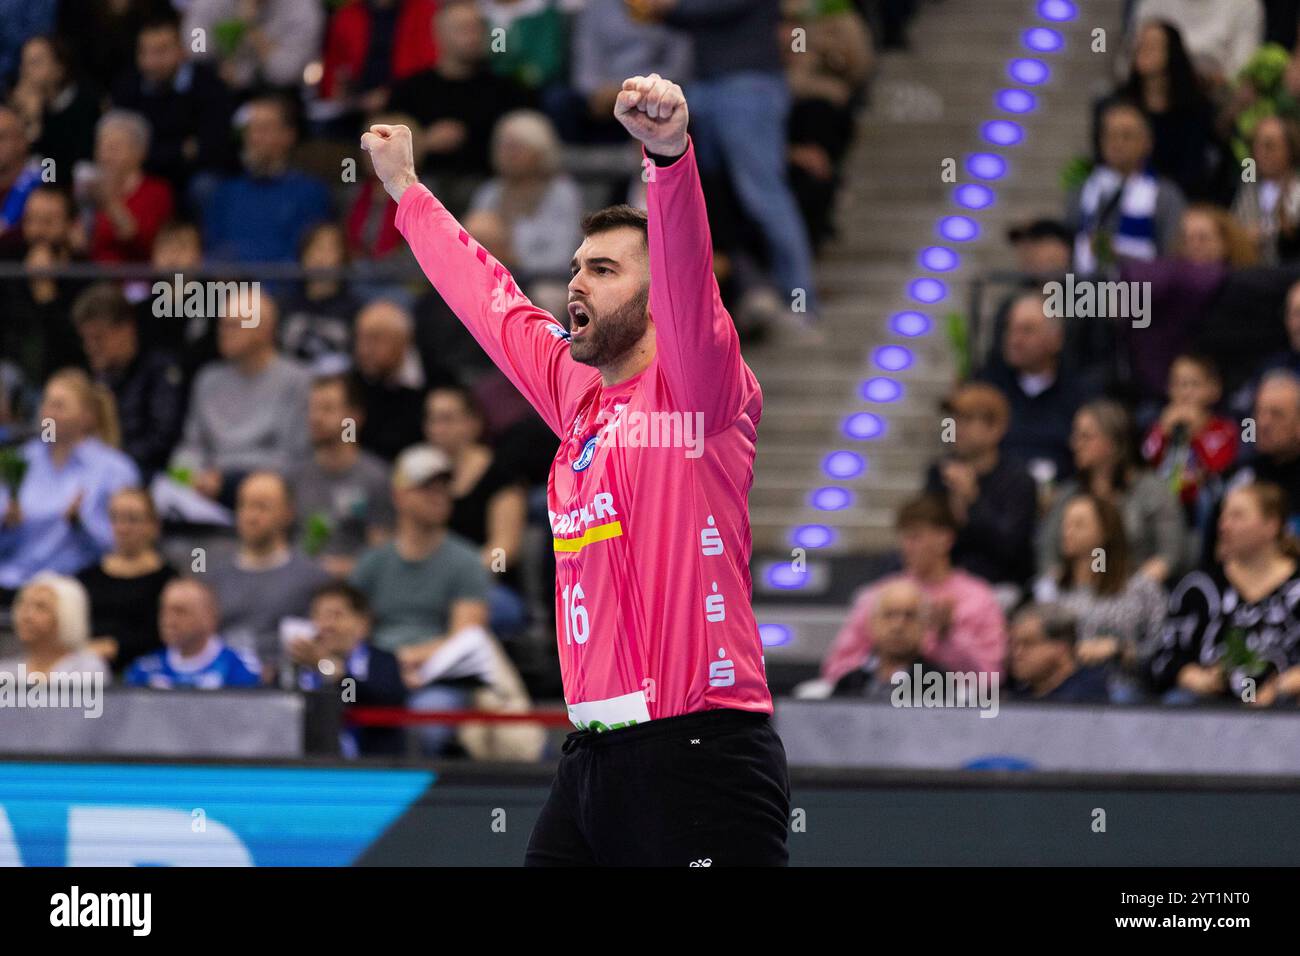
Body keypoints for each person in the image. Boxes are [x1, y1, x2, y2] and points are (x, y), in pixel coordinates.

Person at [364, 72, 791, 864]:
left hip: (701, 755)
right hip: (592, 761)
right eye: (575, 267)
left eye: (603, 269)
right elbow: (489, 302)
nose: (575, 284)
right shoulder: (579, 396)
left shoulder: (700, 394)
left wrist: (668, 158)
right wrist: (407, 191)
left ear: (657, 295)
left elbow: (692, 279)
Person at [348, 444, 493, 755]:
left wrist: (401, 662)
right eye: (426, 487)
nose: (438, 495)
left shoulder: (466, 561)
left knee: (427, 719)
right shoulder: (372, 563)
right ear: (399, 496)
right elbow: (352, 629)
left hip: (438, 678)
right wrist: (386, 670)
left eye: (443, 487)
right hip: (379, 675)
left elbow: (466, 637)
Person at [821, 495, 1008, 688]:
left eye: (915, 537)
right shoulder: (881, 595)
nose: (906, 547)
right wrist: (881, 668)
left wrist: (949, 638)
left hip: (946, 706)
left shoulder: (978, 599)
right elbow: (837, 667)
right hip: (878, 702)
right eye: (903, 538)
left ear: (945, 539)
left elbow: (991, 679)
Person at [1148, 482, 1300, 705]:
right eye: (1223, 516)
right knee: (1176, 702)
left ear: (1272, 525)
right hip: (1209, 708)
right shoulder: (1198, 587)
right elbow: (1163, 657)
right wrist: (1192, 676)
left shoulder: (1295, 589)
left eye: (1237, 516)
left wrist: (1281, 686)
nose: (1224, 526)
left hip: (1285, 707)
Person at [0, 369, 139, 595]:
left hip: (79, 585)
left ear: (87, 416)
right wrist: (6, 522)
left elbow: (126, 545)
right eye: (46, 403)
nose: (48, 413)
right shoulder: (20, 461)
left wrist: (81, 525)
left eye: (59, 406)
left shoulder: (115, 470)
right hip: (12, 580)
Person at [387, 2, 533, 215]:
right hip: (423, 187)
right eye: (463, 29)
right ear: (439, 35)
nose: (473, 36)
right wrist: (425, 141)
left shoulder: (507, 91)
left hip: (489, 189)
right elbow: (381, 152)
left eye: (477, 28)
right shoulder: (409, 90)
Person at [171, 298, 313, 506]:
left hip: (266, 489)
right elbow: (191, 445)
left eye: (234, 325)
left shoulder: (297, 381)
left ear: (264, 330)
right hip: (205, 487)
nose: (224, 332)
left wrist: (225, 478)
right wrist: (187, 475)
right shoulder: (207, 379)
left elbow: (293, 458)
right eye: (222, 324)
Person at [1037, 400, 1187, 585]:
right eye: (1075, 435)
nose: (1075, 443)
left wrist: (1131, 589)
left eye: (1086, 436)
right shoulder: (1070, 494)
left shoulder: (1153, 492)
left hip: (1136, 591)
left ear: (1114, 443)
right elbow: (1047, 551)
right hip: (1076, 594)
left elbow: (1170, 553)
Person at [1036, 492, 1167, 697]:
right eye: (1066, 523)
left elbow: (1160, 645)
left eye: (1079, 525)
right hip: (1061, 683)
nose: (1067, 531)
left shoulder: (1140, 588)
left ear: (1104, 532)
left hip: (1119, 682)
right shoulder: (1050, 587)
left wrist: (1119, 649)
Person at [205, 471, 332, 668]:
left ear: (288, 513)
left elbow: (325, 649)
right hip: (224, 683)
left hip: (285, 685)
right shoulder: (212, 577)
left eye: (262, 507)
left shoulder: (314, 579)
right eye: (244, 505)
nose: (251, 516)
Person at [977, 291, 1103, 483]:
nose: (1015, 340)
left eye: (1027, 330)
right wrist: (950, 440)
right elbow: (948, 428)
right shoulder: (985, 387)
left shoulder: (1080, 395)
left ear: (1056, 339)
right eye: (1010, 329)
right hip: (995, 495)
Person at [923, 383, 1036, 593]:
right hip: (942, 582)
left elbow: (1011, 549)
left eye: (966, 420)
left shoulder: (1018, 481)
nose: (955, 428)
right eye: (953, 419)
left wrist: (973, 501)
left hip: (999, 586)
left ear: (995, 428)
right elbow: (926, 534)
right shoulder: (939, 474)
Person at [109, 13, 237, 196]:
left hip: (195, 174)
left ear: (181, 50)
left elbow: (213, 147)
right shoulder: (128, 86)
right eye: (144, 52)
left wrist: (150, 153)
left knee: (205, 187)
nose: (151, 61)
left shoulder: (208, 85)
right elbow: (122, 146)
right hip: (144, 174)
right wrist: (181, 150)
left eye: (161, 51)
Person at [72, 282, 185, 481]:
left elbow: (162, 440)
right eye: (85, 339)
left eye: (98, 338)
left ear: (126, 329)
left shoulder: (161, 372)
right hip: (93, 473)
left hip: (144, 476)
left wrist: (111, 458)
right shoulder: (90, 377)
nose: (90, 348)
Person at [202, 95, 332, 263]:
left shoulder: (311, 193)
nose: (253, 138)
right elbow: (212, 253)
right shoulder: (225, 193)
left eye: (263, 129)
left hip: (284, 288)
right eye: (249, 130)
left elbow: (309, 258)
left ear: (288, 135)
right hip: (231, 287)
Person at [1068, 99, 1186, 273]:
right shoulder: (1082, 189)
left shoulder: (1165, 195)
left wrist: (1121, 257)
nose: (1117, 143)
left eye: (1127, 136)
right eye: (1110, 135)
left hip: (1143, 294)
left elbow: (1173, 259)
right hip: (1083, 292)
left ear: (1147, 143)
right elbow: (1069, 241)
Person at [291, 581, 407, 756]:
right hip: (307, 766)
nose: (325, 625)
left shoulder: (382, 662)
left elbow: (353, 700)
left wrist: (329, 669)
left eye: (336, 615)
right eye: (318, 616)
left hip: (371, 768)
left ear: (362, 624)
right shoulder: (297, 666)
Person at [295, 375, 395, 577]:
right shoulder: (295, 476)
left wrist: (343, 568)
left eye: (327, 409)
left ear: (353, 418)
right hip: (298, 584)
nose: (316, 417)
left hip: (352, 588)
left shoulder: (375, 478)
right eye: (312, 408)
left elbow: (382, 556)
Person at [467, 110, 584, 281]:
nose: (506, 155)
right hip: (492, 278)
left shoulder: (562, 193)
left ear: (540, 152)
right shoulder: (489, 192)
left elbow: (563, 256)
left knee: (547, 296)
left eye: (515, 148)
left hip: (549, 280)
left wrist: (514, 260)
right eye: (502, 146)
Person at [77, 487, 177, 675]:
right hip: (87, 668)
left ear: (154, 525)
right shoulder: (86, 578)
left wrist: (115, 647)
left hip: (150, 671)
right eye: (116, 518)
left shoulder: (169, 581)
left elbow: (167, 631)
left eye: (133, 519)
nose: (123, 528)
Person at [1141, 353, 1238, 521]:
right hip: (1164, 506)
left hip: (1202, 508)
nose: (1185, 393)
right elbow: (1145, 461)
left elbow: (1218, 468)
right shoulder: (1161, 426)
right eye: (1178, 384)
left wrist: (1197, 435)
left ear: (1214, 389)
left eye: (1194, 385)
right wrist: (1163, 434)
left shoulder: (1224, 429)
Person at [124, 578, 261, 689]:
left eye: (180, 611)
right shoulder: (144, 669)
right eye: (164, 611)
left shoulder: (238, 668)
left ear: (209, 617)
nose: (168, 621)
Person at [351, 300, 442, 461]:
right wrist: (348, 442)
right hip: (366, 473)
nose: (363, 350)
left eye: (374, 340)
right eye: (360, 339)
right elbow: (346, 424)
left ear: (403, 340)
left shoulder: (436, 380)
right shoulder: (354, 381)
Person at [831, 579, 947, 700]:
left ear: (924, 626)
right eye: (889, 615)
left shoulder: (934, 682)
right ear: (872, 622)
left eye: (910, 616)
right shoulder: (849, 682)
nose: (898, 626)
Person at [84, 110, 175, 263]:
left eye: (114, 148)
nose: (105, 156)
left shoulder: (156, 192)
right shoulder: (88, 191)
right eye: (101, 147)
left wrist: (109, 203)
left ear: (139, 152)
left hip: (138, 279)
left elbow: (141, 240)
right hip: (94, 277)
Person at [277, 223, 362, 372]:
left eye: (330, 249)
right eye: (314, 248)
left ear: (343, 256)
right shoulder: (283, 306)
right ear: (302, 255)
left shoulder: (357, 311)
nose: (321, 257)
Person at [0, 572, 109, 682]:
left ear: (68, 616)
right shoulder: (5, 671)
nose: (27, 616)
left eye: (41, 607)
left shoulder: (88, 669)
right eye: (23, 605)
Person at [1230, 115, 1300, 264]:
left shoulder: (1297, 188)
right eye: (1256, 145)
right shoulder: (1244, 186)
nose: (1260, 152)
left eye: (1269, 146)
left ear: (1290, 149)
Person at [1007, 603, 1110, 703]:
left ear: (1062, 647)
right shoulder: (1017, 696)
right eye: (1014, 644)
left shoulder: (1088, 699)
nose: (1017, 653)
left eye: (1028, 644)